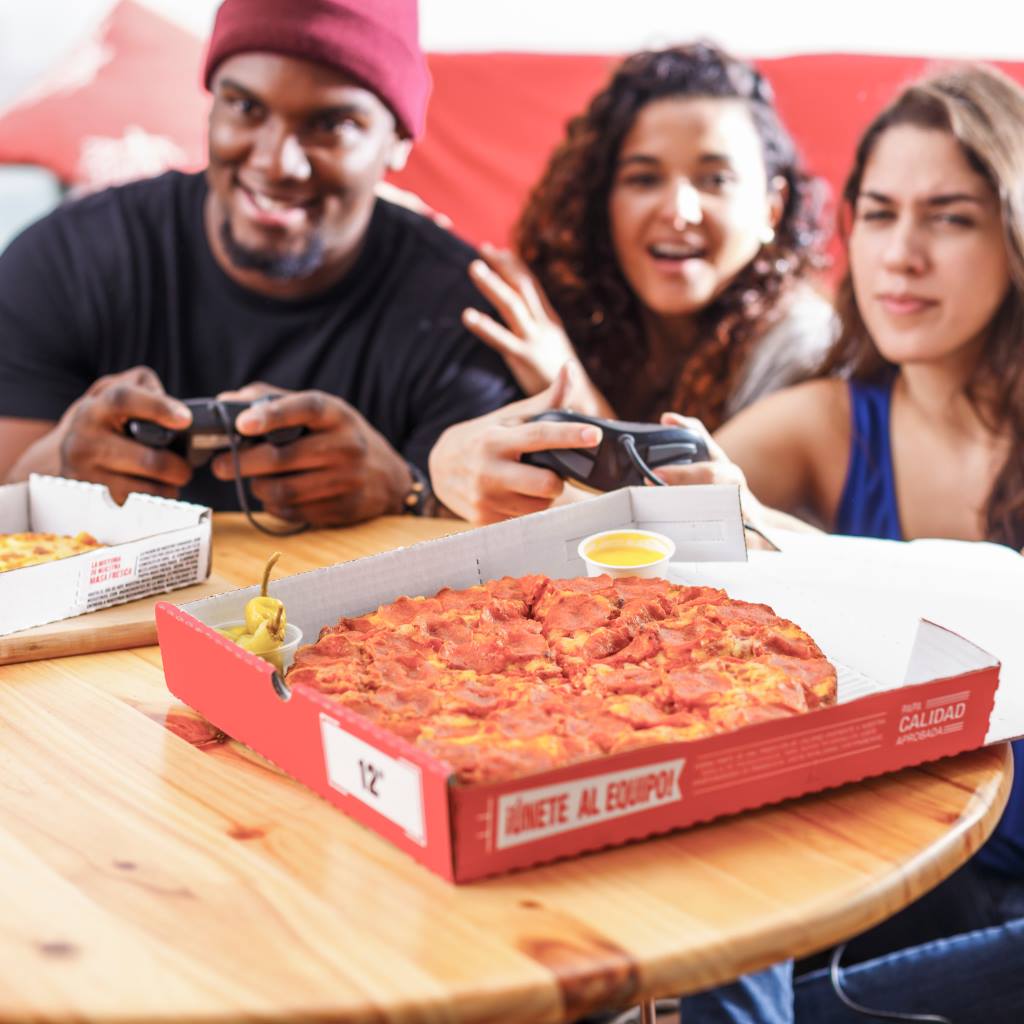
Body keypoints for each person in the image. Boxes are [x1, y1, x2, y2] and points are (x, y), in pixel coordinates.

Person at [656, 63, 1024, 1023]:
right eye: (879, 213)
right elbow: (645, 524)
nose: (901, 255)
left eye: (950, 218)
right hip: (897, 870)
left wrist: (777, 535)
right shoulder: (828, 423)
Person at [0, 0, 518, 526]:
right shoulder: (65, 261)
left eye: (332, 124)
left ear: (399, 142)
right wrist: (51, 473)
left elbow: (498, 551)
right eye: (245, 107)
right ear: (211, 105)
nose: (276, 162)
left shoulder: (465, 313)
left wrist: (402, 490)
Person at [429, 42, 831, 524]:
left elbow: (692, 525)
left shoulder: (803, 346)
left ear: (772, 208)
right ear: (603, 203)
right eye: (644, 179)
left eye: (715, 180)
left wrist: (572, 393)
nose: (678, 212)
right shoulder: (563, 312)